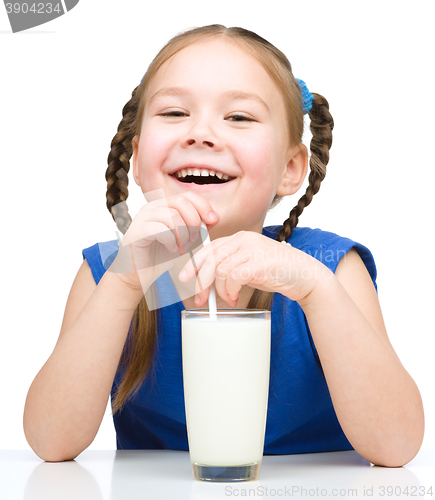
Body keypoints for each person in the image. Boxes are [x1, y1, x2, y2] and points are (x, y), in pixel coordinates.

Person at [23, 24, 424, 467]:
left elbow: (397, 446)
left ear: (290, 168)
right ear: (136, 159)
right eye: (175, 113)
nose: (201, 133)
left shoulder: (329, 268)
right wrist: (122, 286)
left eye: (238, 117)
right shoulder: (109, 272)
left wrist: (315, 291)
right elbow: (50, 442)